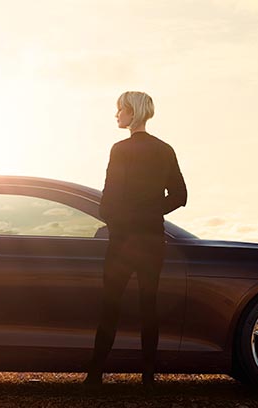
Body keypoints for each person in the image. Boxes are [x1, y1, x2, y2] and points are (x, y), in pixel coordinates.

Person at [83, 91, 187, 392]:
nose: (116, 115)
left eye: (119, 110)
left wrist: (117, 221)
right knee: (149, 305)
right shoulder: (165, 149)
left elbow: (108, 197)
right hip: (153, 239)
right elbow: (180, 196)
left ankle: (94, 376)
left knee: (110, 305)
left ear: (132, 112)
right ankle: (148, 379)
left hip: (123, 240)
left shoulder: (121, 149)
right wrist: (151, 211)